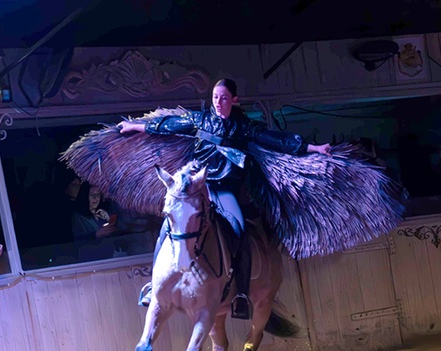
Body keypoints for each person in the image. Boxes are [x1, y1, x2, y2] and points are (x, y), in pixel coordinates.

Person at [118, 78, 332, 319]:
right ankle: (152, 286)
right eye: (215, 98)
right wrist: (135, 126)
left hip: (225, 191)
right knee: (166, 228)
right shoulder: (199, 120)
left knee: (239, 230)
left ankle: (240, 294)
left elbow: (276, 139)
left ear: (234, 100)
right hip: (198, 190)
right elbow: (167, 125)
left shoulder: (243, 128)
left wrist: (312, 148)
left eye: (224, 98)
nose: (218, 103)